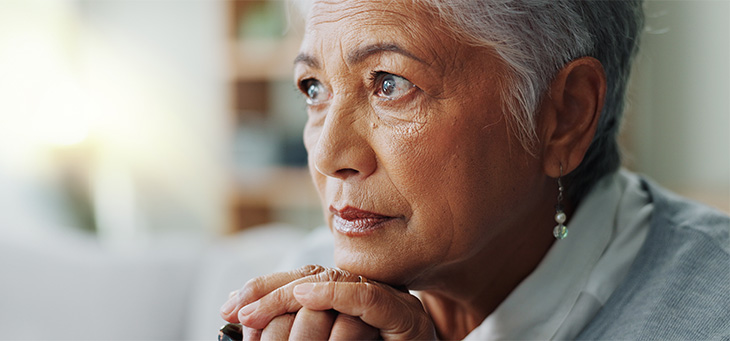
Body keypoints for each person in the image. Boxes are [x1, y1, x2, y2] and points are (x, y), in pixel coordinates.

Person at [220, 0, 730, 339]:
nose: (328, 155)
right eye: (313, 88)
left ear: (565, 117)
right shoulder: (310, 291)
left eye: (390, 83)